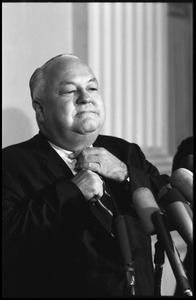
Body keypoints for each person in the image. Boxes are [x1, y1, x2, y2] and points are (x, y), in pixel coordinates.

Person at [2, 54, 170, 298]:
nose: (86, 98)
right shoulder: (11, 164)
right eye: (70, 91)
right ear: (40, 109)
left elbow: (166, 208)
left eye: (92, 87)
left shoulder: (125, 152)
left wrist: (124, 174)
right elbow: (9, 237)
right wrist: (71, 192)